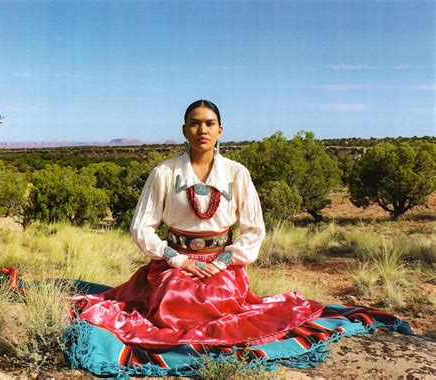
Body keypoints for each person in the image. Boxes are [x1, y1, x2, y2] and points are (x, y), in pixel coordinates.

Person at [64, 100, 411, 377]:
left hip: (222, 266)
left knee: (222, 301)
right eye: (195, 123)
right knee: (172, 298)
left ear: (220, 130)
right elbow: (142, 227)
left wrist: (223, 261)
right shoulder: (164, 173)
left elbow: (253, 229)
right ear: (184, 130)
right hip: (174, 264)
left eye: (209, 123)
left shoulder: (236, 173)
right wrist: (176, 258)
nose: (202, 129)